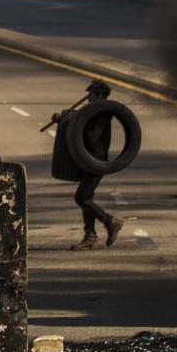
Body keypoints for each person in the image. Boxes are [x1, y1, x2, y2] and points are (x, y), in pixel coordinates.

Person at [53, 79, 123, 251]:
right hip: (85, 160)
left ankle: (110, 221)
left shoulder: (103, 113)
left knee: (82, 198)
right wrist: (62, 119)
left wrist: (74, 122)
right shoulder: (90, 111)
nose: (87, 99)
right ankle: (90, 237)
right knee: (87, 198)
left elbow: (92, 136)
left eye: (90, 96)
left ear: (99, 96)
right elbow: (78, 119)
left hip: (96, 161)